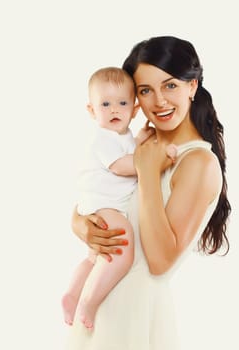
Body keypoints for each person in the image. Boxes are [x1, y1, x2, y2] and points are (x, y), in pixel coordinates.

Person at [66, 36, 231, 349]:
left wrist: (149, 171)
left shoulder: (197, 162)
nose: (159, 101)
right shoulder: (140, 145)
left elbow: (159, 260)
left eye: (170, 86)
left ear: (192, 86)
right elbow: (99, 191)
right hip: (100, 311)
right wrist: (80, 224)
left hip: (134, 318)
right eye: (145, 90)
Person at [61, 67, 177, 330]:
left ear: (134, 110)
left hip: (102, 204)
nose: (114, 109)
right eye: (105, 104)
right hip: (105, 205)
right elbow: (121, 166)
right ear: (91, 111)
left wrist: (139, 139)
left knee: (93, 258)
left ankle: (71, 295)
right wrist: (156, 160)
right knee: (122, 250)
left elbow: (126, 150)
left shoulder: (120, 137)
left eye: (122, 103)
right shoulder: (102, 138)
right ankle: (88, 304)